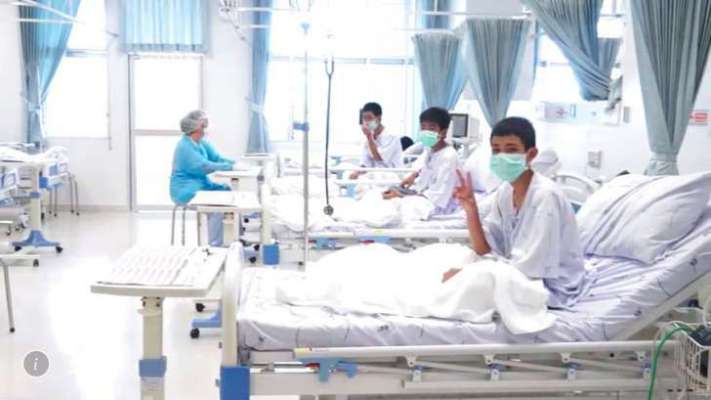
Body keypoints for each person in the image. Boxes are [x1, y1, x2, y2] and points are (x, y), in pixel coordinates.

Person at [445, 117, 586, 308]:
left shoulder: (545, 197)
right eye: (496, 150)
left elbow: (530, 270)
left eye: (511, 150)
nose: (502, 156)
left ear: (531, 154)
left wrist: (470, 274)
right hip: (517, 272)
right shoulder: (505, 192)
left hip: (548, 285)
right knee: (451, 261)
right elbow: (483, 249)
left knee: (462, 285)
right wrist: (471, 209)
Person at [170, 110, 235, 247]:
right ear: (194, 127)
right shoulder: (184, 147)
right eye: (202, 124)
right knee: (218, 206)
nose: (205, 127)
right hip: (185, 190)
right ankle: (214, 246)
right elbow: (204, 166)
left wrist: (235, 164)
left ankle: (236, 238)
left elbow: (216, 158)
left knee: (228, 192)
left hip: (201, 185)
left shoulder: (200, 143)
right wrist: (229, 167)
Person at [382, 107, 459, 216]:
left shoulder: (448, 157)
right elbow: (426, 173)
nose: (426, 132)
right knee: (383, 196)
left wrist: (401, 196)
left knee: (393, 207)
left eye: (431, 128)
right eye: (423, 127)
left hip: (434, 206)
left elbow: (438, 196)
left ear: (443, 132)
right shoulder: (430, 150)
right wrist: (414, 176)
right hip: (421, 197)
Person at [349, 102, 403, 180]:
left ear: (379, 118)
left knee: (365, 180)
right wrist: (357, 172)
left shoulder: (391, 136)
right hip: (375, 175)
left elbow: (378, 158)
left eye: (369, 118)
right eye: (364, 118)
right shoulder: (368, 137)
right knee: (349, 174)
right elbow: (365, 162)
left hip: (392, 175)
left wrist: (369, 137)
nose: (366, 122)